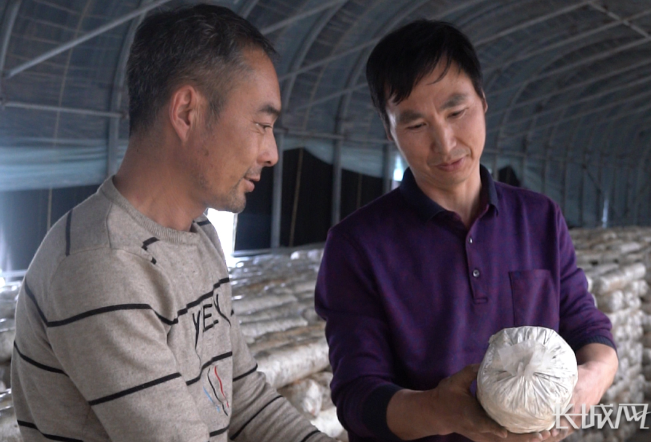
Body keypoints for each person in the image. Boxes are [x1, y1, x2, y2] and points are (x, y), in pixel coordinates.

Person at [11, 5, 332, 442]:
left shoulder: (199, 237)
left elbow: (244, 399)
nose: (272, 153)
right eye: (261, 125)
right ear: (186, 112)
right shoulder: (103, 263)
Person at [315, 20, 618, 442]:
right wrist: (442, 412)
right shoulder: (357, 245)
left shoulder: (539, 218)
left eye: (457, 112)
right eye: (416, 125)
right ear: (389, 131)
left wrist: (595, 376)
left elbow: (586, 326)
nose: (445, 142)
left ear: (483, 101)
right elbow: (357, 397)